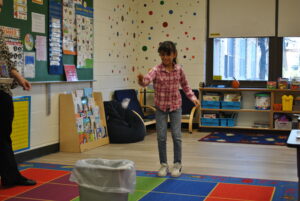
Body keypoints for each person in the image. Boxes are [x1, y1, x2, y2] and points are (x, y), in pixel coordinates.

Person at [137, 41, 200, 177]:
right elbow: (146, 80)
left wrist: (193, 98)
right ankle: (163, 165)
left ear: (174, 54)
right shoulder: (156, 70)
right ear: (160, 55)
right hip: (160, 107)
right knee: (161, 137)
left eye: (168, 55)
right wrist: (141, 81)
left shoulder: (179, 70)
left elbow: (185, 86)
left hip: (176, 107)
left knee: (176, 136)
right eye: (162, 55)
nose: (165, 58)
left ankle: (177, 164)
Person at [0, 29, 36, 187]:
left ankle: (10, 176)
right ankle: (11, 176)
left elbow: (7, 60)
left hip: (3, 90)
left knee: (4, 137)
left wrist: (20, 78)